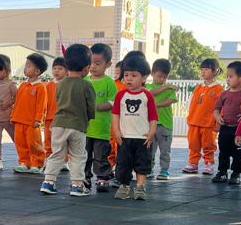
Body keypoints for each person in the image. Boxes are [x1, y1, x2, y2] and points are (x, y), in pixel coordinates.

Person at [40, 44, 95, 196]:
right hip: (77, 125)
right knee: (78, 155)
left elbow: (59, 100)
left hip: (58, 124)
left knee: (57, 153)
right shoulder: (87, 85)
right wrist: (89, 117)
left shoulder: (60, 84)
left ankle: (48, 182)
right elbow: (91, 107)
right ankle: (77, 185)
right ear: (86, 67)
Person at [112, 51, 158, 200]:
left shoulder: (147, 96)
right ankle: (124, 186)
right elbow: (115, 114)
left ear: (144, 77)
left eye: (133, 75)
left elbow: (153, 116)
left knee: (142, 162)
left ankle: (140, 187)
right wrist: (116, 131)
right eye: (126, 75)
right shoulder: (120, 95)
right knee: (123, 163)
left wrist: (151, 132)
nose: (129, 78)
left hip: (142, 137)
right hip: (124, 137)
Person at [85, 43, 118, 192]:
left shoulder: (109, 82)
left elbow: (112, 103)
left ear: (108, 64)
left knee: (101, 155)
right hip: (85, 128)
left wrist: (95, 107)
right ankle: (84, 177)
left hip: (101, 129)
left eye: (97, 63)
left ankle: (103, 178)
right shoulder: (85, 81)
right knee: (84, 155)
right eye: (91, 62)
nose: (93, 66)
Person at [183, 58, 223, 174]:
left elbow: (221, 108)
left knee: (209, 145)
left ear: (215, 71)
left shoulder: (219, 89)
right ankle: (193, 163)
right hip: (194, 122)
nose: (203, 72)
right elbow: (192, 104)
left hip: (209, 124)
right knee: (193, 144)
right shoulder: (198, 88)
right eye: (202, 69)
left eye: (206, 69)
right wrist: (190, 118)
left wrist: (218, 123)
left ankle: (209, 163)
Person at [211, 61, 241, 185]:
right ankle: (222, 172)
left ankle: (236, 174)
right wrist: (217, 117)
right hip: (225, 128)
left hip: (240, 130)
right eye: (227, 76)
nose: (227, 79)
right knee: (223, 152)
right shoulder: (224, 94)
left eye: (231, 76)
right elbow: (216, 108)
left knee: (238, 153)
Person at [12, 53, 49, 173]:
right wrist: (13, 116)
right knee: (20, 143)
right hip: (19, 119)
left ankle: (37, 163)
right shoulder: (22, 85)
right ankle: (24, 162)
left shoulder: (40, 87)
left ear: (37, 71)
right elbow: (17, 102)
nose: (25, 68)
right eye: (26, 65)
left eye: (29, 66)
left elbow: (42, 104)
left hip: (32, 121)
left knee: (34, 143)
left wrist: (38, 119)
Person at [147, 58, 177, 180]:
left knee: (165, 149)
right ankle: (149, 168)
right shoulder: (148, 86)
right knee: (150, 148)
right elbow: (152, 92)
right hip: (150, 124)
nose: (162, 80)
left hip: (165, 124)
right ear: (152, 73)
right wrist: (167, 86)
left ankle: (164, 170)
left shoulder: (170, 90)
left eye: (165, 77)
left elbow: (171, 100)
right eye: (159, 76)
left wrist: (156, 104)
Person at [44, 56, 64, 160]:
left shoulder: (67, 84)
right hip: (49, 118)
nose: (56, 71)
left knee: (62, 140)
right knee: (48, 139)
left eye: (60, 69)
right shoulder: (49, 85)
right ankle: (49, 157)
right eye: (54, 68)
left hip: (62, 119)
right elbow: (44, 101)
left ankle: (64, 160)